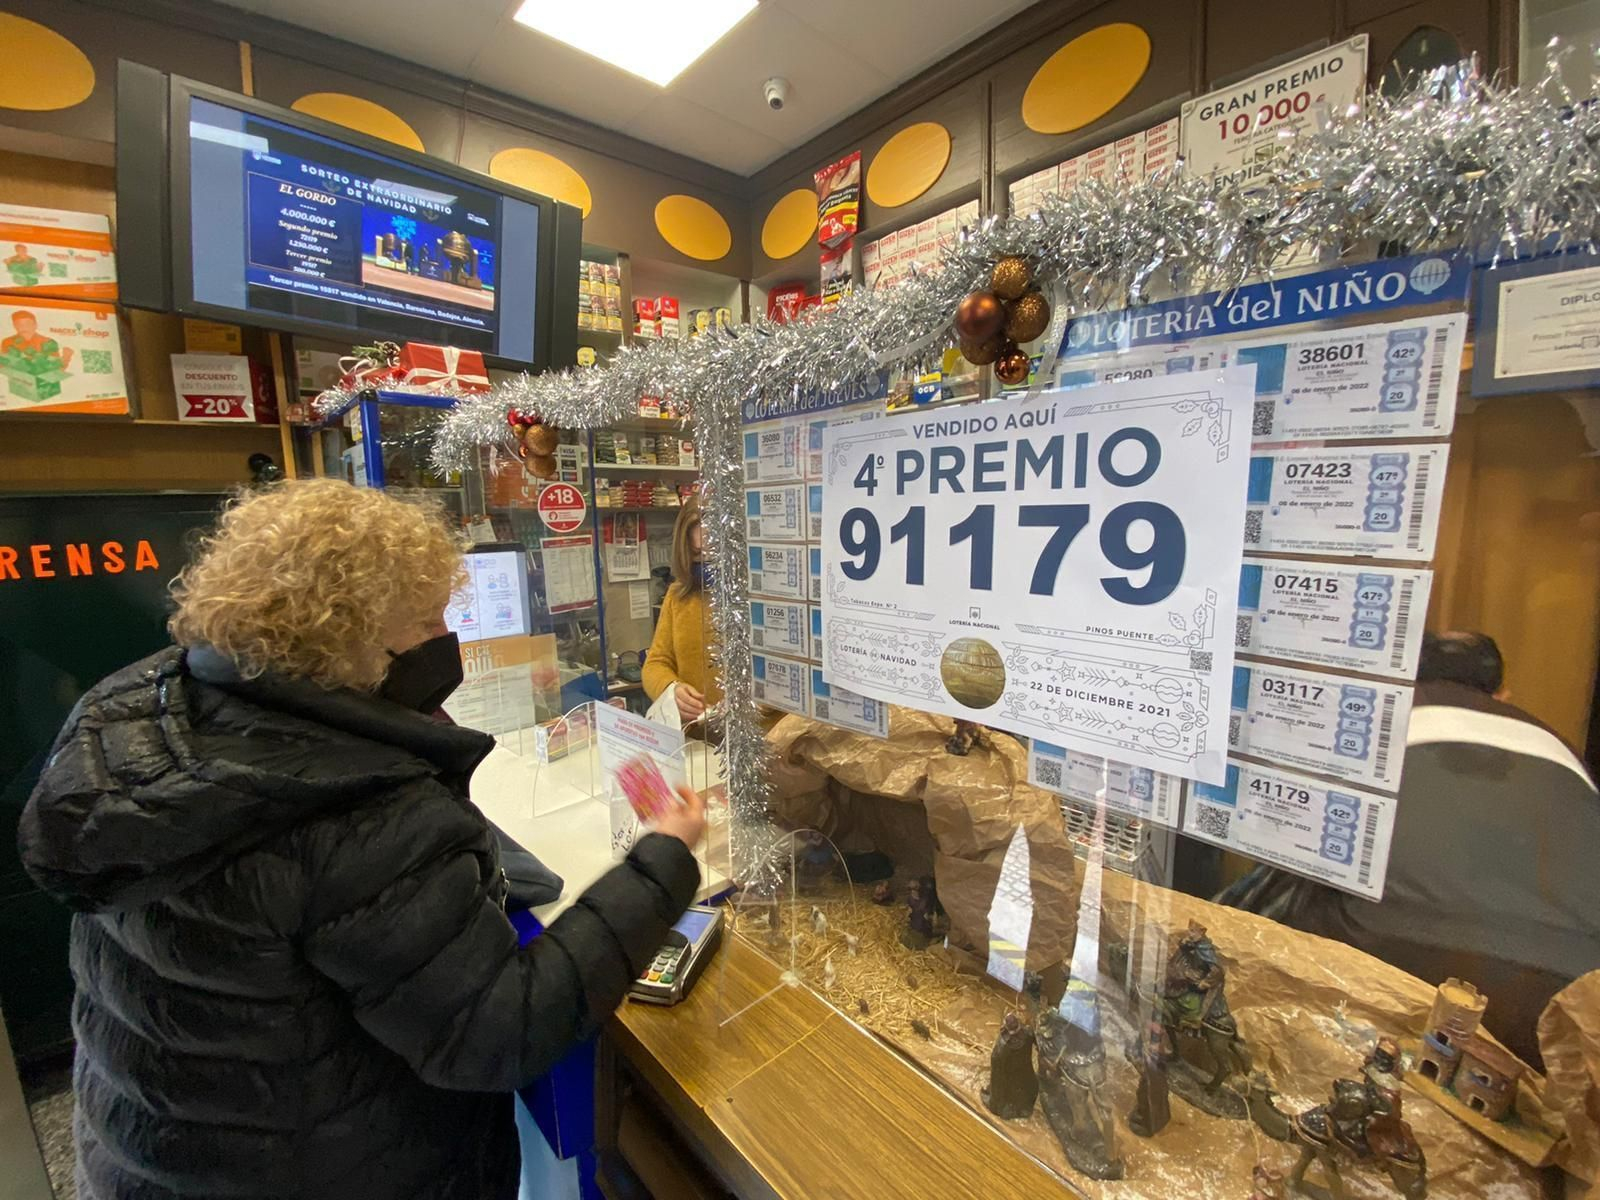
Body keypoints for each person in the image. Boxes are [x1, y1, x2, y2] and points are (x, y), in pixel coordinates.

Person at [18, 479, 707, 1200]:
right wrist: (661, 860)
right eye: (430, 621)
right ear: (349, 635)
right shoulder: (361, 804)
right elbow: (501, 1029)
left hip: (153, 1155)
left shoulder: (147, 714)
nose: (450, 640)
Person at [1221, 631, 1600, 1067]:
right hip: (1574, 994)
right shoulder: (1556, 747)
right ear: (1503, 694)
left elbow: (1279, 876)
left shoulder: (1370, 729)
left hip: (1383, 951)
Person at [643, 494, 721, 724]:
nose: (707, 563)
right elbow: (656, 663)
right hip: (697, 741)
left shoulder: (763, 600)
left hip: (759, 742)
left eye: (715, 553)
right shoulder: (679, 596)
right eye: (697, 554)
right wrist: (671, 690)